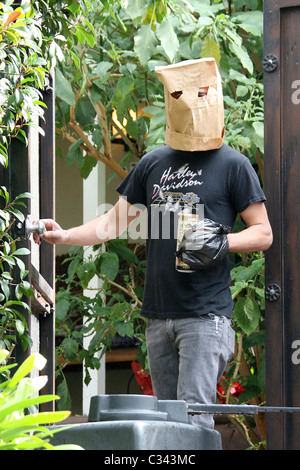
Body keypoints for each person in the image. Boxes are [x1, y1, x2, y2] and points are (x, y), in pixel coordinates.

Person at [34, 59, 273, 429]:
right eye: (178, 94)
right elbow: (112, 223)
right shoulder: (154, 163)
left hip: (205, 317)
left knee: (192, 422)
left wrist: (222, 242)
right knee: (166, 425)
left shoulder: (233, 164)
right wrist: (65, 235)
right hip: (159, 319)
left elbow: (263, 233)